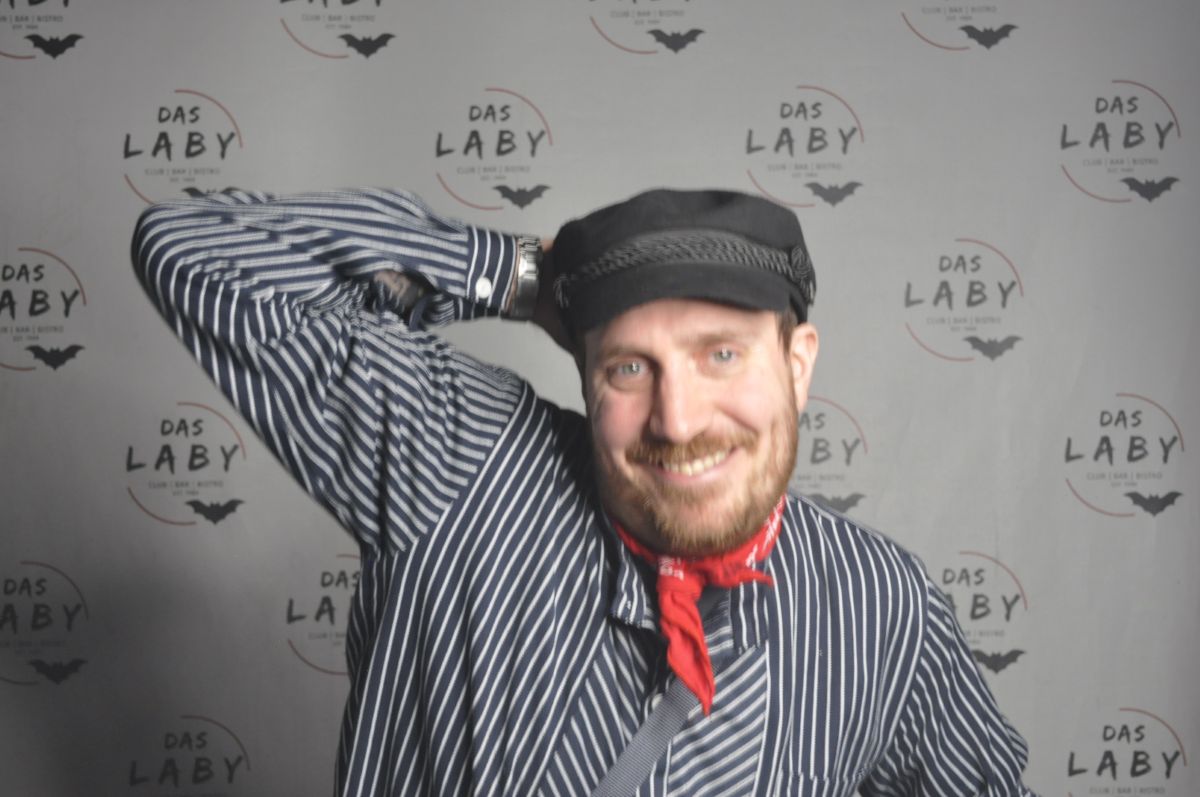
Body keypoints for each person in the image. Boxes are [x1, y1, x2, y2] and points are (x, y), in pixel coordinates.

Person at [132, 186, 1037, 796]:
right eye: (629, 367)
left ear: (798, 366)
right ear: (584, 372)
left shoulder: (882, 607)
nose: (678, 420)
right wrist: (528, 278)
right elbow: (194, 252)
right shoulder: (462, 461)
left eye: (722, 354)